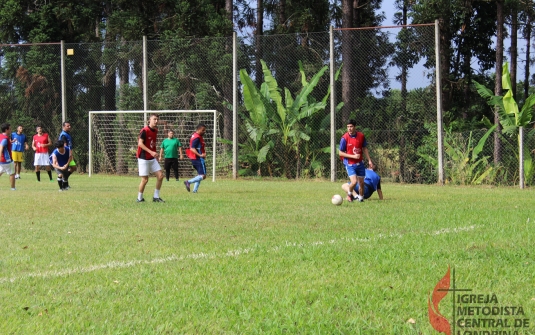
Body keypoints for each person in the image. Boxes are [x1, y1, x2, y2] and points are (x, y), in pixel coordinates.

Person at [339, 119, 373, 202]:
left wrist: (369, 160)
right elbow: (340, 153)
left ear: (355, 127)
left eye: (351, 127)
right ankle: (349, 194)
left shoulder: (361, 136)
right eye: (348, 127)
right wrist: (353, 156)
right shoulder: (344, 138)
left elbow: (364, 148)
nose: (349, 129)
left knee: (361, 183)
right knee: (354, 182)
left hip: (360, 163)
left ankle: (361, 199)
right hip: (349, 164)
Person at [136, 113, 164, 203]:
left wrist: (155, 155)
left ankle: (156, 197)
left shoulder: (155, 131)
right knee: (145, 180)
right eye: (154, 119)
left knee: (160, 176)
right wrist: (151, 152)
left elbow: (153, 144)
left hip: (152, 158)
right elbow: (140, 144)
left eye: (157, 120)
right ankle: (139, 198)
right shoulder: (144, 130)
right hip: (143, 158)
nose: (156, 121)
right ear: (149, 120)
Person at [184, 123, 207, 193]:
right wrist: (200, 155)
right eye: (203, 130)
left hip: (195, 158)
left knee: (200, 175)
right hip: (198, 158)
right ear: (199, 129)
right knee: (203, 176)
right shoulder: (197, 137)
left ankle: (195, 191)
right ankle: (188, 182)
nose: (204, 132)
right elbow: (192, 148)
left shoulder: (196, 136)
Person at [0, 123, 16, 190]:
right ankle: (13, 188)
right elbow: (1, 146)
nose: (10, 130)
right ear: (6, 130)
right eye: (10, 129)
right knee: (12, 173)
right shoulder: (5, 138)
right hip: (7, 160)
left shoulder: (0, 136)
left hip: (1, 160)